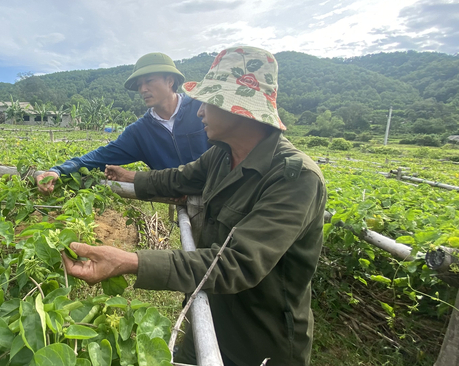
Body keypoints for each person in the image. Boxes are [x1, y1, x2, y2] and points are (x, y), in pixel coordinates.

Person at [62, 46, 326, 366]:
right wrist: (133, 177)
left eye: (207, 103)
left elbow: (237, 264)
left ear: (236, 109)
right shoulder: (221, 154)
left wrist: (130, 262)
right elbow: (177, 179)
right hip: (209, 310)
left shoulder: (294, 177)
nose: (199, 112)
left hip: (259, 339)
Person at [36, 52, 210, 192]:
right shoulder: (140, 132)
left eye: (149, 81)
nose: (143, 89)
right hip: (187, 204)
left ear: (170, 81)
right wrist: (57, 170)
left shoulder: (202, 109)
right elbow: (97, 157)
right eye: (139, 85)